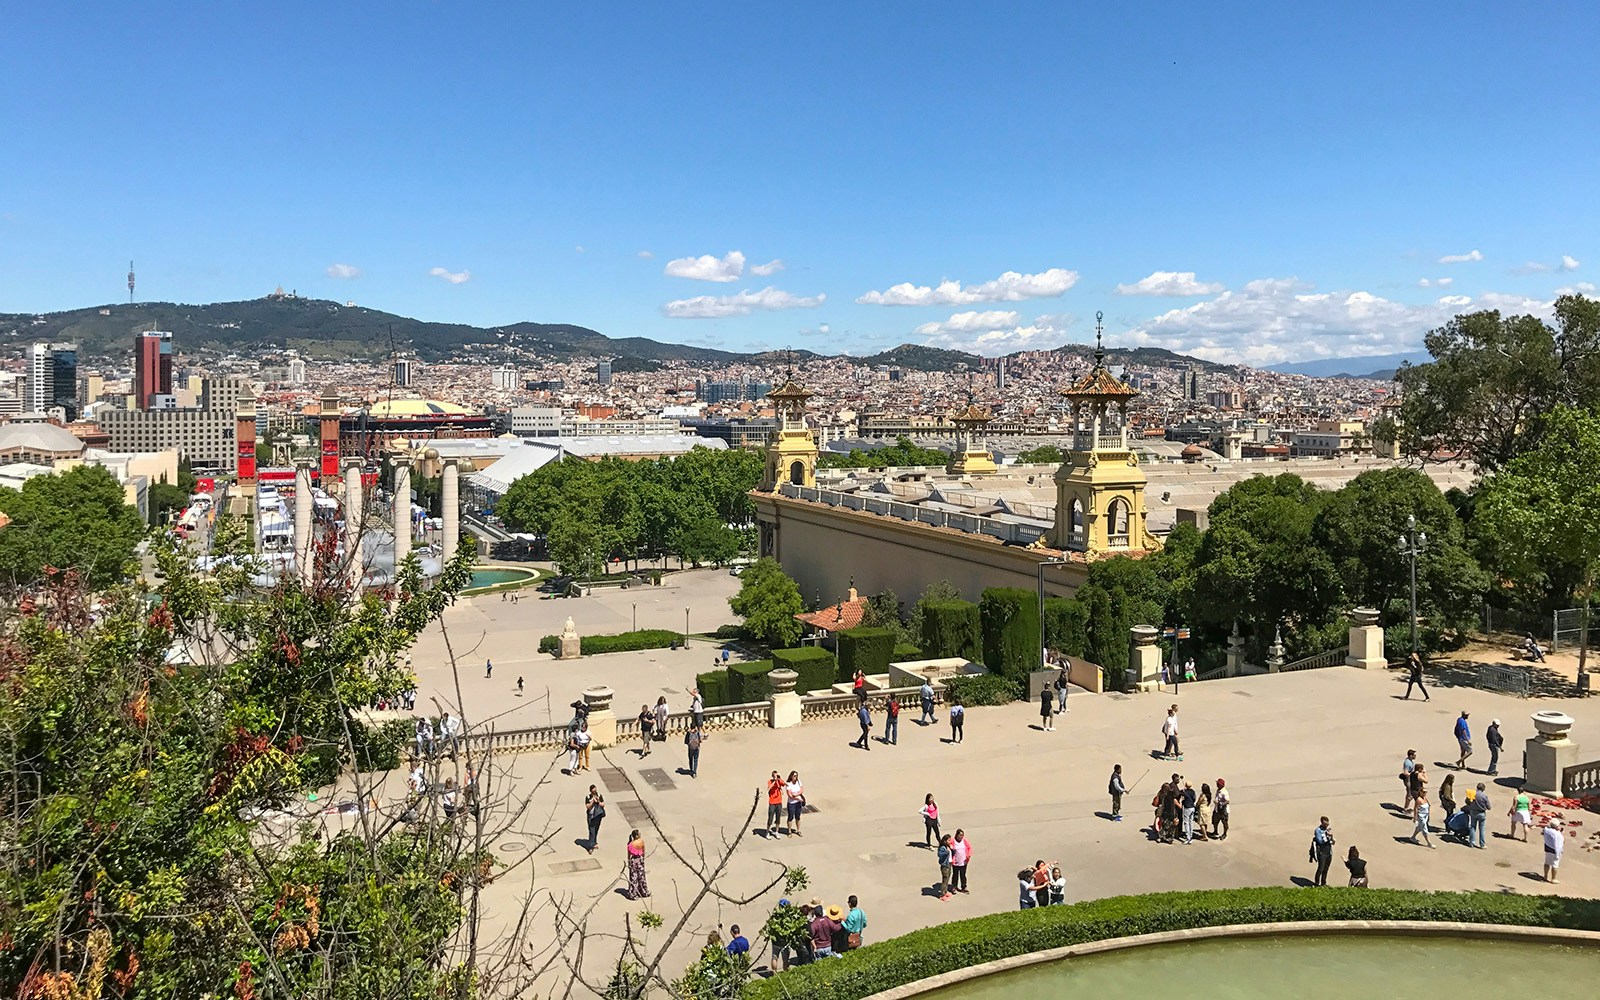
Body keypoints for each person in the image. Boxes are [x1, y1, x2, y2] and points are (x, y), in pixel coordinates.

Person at [1311, 817, 1335, 885]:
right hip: (1321, 852)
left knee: (1326, 869)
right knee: (1321, 868)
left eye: (1327, 824)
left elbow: (1333, 842)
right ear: (1322, 823)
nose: (1326, 826)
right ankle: (1316, 883)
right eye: (1325, 824)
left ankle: (1323, 883)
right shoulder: (1318, 830)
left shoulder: (1328, 830)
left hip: (1328, 852)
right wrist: (1327, 836)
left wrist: (1332, 837)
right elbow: (1320, 841)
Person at [625, 830, 650, 899]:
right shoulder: (641, 842)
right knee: (641, 876)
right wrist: (643, 858)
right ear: (636, 836)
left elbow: (629, 855)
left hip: (633, 861)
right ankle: (643, 891)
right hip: (640, 860)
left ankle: (633, 893)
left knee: (634, 877)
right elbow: (643, 851)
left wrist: (629, 862)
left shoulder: (630, 844)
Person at [1467, 783, 1490, 849]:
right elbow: (1489, 806)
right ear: (1483, 788)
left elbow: (1467, 801)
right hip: (1481, 813)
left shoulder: (1472, 793)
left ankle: (1471, 843)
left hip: (1473, 812)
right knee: (1482, 829)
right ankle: (1482, 844)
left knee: (1472, 827)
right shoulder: (1484, 796)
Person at [585, 785, 605, 854]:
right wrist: (592, 801)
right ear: (590, 791)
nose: (594, 793)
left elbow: (603, 804)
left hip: (598, 815)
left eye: (595, 791)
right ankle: (590, 847)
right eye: (593, 792)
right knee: (591, 831)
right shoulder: (588, 797)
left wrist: (599, 802)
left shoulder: (599, 795)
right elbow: (587, 807)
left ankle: (594, 842)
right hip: (591, 816)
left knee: (596, 829)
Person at [1543, 819, 1564, 883]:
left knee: (1547, 862)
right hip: (1555, 850)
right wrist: (1559, 853)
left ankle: (1545, 875)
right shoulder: (1557, 834)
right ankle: (1553, 878)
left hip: (1547, 847)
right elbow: (1558, 844)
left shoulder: (1547, 830)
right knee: (1555, 864)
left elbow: (1547, 827)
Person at [784, 771, 805, 836]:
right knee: (790, 817)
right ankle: (789, 831)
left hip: (798, 803)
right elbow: (790, 795)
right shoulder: (788, 784)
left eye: (796, 776)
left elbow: (801, 790)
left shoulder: (798, 782)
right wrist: (797, 798)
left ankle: (798, 830)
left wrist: (796, 794)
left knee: (798, 817)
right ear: (791, 776)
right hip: (791, 803)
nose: (795, 777)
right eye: (794, 776)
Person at [1399, 750, 1418, 816]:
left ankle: (1406, 807)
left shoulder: (1410, 761)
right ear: (1411, 755)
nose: (1415, 756)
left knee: (1410, 794)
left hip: (1410, 780)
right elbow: (1405, 772)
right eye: (1414, 755)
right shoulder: (1407, 763)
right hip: (1408, 780)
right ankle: (1405, 809)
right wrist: (1413, 774)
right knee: (1409, 795)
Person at [766, 771, 786, 837]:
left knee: (778, 818)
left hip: (779, 802)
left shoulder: (779, 781)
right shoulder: (770, 781)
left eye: (776, 776)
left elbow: (784, 784)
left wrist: (779, 779)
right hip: (772, 802)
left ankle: (776, 831)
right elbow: (769, 788)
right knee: (770, 818)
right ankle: (767, 832)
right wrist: (774, 781)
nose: (776, 777)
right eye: (774, 776)